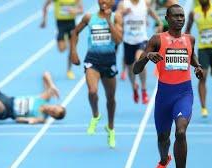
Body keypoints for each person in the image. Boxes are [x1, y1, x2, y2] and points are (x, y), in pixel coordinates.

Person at [133, 4, 203, 168]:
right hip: (164, 96)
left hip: (183, 93)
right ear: (167, 18)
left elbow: (191, 56)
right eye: (176, 16)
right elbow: (135, 69)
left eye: (182, 16)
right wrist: (147, 57)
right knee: (163, 139)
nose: (180, 19)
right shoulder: (157, 40)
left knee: (180, 132)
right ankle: (164, 160)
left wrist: (198, 67)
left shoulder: (190, 39)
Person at [70, 0, 123, 148]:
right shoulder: (89, 17)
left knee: (110, 98)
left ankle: (111, 128)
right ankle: (96, 115)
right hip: (92, 60)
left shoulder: (116, 17)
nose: (103, 1)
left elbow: (118, 40)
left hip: (109, 61)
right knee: (92, 91)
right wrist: (73, 51)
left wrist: (108, 21)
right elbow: (74, 32)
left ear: (112, 1)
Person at [185, 0, 212, 117]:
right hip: (203, 49)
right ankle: (203, 107)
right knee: (202, 76)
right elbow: (187, 30)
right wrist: (187, 42)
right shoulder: (194, 13)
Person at [0, 72, 66, 125]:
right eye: (54, 108)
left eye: (53, 113)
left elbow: (18, 119)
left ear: (52, 116)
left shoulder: (40, 117)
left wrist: (29, 120)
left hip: (6, 111)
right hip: (6, 98)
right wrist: (52, 86)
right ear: (55, 105)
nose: (51, 110)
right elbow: (45, 74)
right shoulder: (44, 98)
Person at [116, 0, 163, 104]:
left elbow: (151, 12)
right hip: (128, 40)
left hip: (141, 39)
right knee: (130, 68)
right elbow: (116, 16)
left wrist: (159, 22)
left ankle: (144, 89)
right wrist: (123, 13)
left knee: (140, 61)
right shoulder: (123, 4)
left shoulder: (145, 3)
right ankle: (134, 87)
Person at [40, 0, 83, 80]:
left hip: (71, 23)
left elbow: (81, 10)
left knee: (72, 49)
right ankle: (64, 40)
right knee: (61, 49)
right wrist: (44, 20)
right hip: (60, 24)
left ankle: (69, 71)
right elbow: (45, 6)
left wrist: (75, 11)